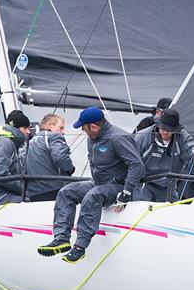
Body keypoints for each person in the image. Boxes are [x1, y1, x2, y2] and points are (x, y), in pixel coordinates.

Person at [38, 107, 144, 264]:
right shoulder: (92, 137)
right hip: (99, 183)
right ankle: (61, 239)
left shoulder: (118, 138)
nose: (81, 129)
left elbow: (137, 166)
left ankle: (80, 247)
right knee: (66, 192)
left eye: (83, 126)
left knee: (93, 196)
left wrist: (127, 192)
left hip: (119, 186)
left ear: (93, 126)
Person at [134, 108, 194, 202]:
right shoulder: (142, 136)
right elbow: (131, 163)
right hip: (144, 184)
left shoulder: (183, 137)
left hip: (168, 186)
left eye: (170, 129)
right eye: (163, 128)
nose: (165, 132)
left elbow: (191, 148)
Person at [24, 113, 75, 202]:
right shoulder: (54, 136)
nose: (63, 132)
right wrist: (70, 169)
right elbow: (60, 157)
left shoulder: (28, 144)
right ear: (49, 125)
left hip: (34, 195)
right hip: (54, 190)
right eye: (61, 127)